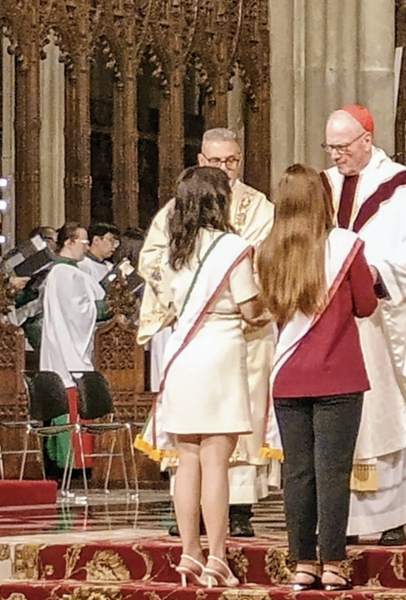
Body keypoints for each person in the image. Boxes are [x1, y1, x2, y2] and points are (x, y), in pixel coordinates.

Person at [137, 127, 275, 537]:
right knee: (197, 439)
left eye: (232, 160)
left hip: (242, 337)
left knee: (235, 425)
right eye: (216, 161)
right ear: (201, 161)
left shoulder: (258, 206)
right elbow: (152, 259)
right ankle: (197, 528)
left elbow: (263, 257)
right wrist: (183, 297)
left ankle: (240, 510)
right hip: (201, 327)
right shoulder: (175, 211)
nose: (225, 168)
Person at [322, 105, 406, 546]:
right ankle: (344, 519)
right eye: (331, 147)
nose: (336, 155)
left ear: (366, 139)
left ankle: (392, 514)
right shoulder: (324, 185)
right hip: (332, 322)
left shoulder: (403, 188)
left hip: (381, 317)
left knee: (385, 409)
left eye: (342, 146)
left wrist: (376, 274)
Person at [258, 165, 377, 591]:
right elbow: (366, 305)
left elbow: (271, 307)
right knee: (332, 472)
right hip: (338, 377)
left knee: (298, 474)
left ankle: (302, 562)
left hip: (289, 377)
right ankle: (333, 564)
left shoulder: (267, 251)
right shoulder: (345, 246)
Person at [153, 166, 265, 588]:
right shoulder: (232, 247)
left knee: (187, 462)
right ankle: (217, 556)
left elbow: (169, 304)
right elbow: (251, 309)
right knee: (216, 460)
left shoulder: (173, 251)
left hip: (181, 356)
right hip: (219, 354)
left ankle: (189, 552)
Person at [40, 223, 109, 471]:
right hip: (68, 350)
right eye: (83, 242)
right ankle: (73, 464)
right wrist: (102, 308)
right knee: (72, 400)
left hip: (67, 346)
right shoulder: (63, 274)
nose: (87, 247)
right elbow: (79, 313)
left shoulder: (69, 272)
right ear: (69, 242)